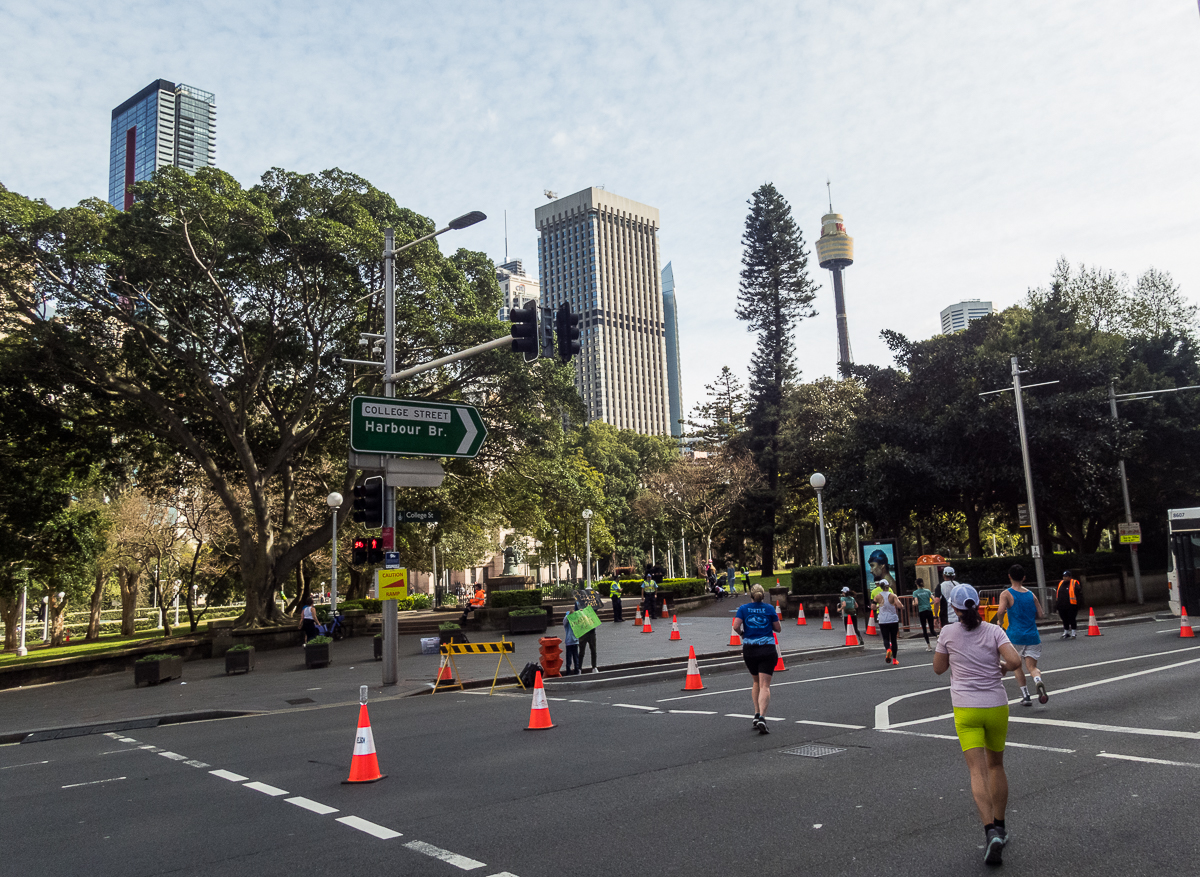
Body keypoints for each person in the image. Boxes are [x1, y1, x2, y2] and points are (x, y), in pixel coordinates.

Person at [933, 583, 1023, 865]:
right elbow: (1015, 660)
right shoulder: (994, 631)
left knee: (977, 770)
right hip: (996, 704)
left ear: (955, 608)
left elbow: (938, 668)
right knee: (996, 765)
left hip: (966, 708)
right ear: (979, 604)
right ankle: (1001, 825)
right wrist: (1004, 668)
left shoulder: (948, 633)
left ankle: (989, 832)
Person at [994, 564, 1048, 706]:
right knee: (1032, 667)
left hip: (1015, 635)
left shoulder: (1006, 594)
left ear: (1009, 576)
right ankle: (1037, 680)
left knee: (1017, 666)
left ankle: (1026, 695)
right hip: (1032, 636)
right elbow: (1041, 615)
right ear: (1024, 577)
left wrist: (1000, 623)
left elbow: (1000, 611)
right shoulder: (1031, 594)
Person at [733, 584, 782, 734]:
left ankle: (755, 713)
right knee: (765, 685)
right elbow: (778, 628)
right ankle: (762, 717)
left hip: (749, 649)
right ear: (763, 595)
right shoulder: (769, 609)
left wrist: (743, 633)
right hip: (767, 648)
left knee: (756, 682)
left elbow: (735, 626)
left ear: (751, 596)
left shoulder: (743, 609)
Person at [874, 576, 901, 665]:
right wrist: (901, 606)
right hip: (893, 619)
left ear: (880, 586)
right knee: (894, 639)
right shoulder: (893, 595)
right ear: (888, 586)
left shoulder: (877, 596)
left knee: (885, 638)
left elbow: (873, 607)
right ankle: (894, 659)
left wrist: (878, 606)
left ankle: (888, 649)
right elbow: (899, 605)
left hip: (882, 620)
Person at [1055, 570, 1082, 639]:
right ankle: (1066, 632)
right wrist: (1057, 604)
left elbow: (1079, 594)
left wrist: (1078, 604)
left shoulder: (1074, 583)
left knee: (1072, 618)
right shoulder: (1061, 583)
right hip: (1062, 605)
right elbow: (1058, 594)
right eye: (1064, 576)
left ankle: (1073, 632)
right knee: (1064, 619)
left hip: (1071, 605)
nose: (1064, 578)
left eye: (1066, 576)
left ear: (1070, 577)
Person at [913, 578, 936, 651]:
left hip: (922, 611)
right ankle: (938, 636)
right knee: (932, 629)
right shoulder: (928, 591)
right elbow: (934, 600)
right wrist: (930, 603)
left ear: (916, 584)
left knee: (924, 629)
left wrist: (913, 603)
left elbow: (916, 603)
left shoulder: (915, 592)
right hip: (929, 610)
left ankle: (929, 646)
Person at [562, 606, 581, 675]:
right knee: (569, 658)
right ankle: (569, 671)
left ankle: (576, 670)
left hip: (574, 642)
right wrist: (568, 615)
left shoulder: (575, 622)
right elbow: (564, 621)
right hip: (569, 642)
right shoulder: (567, 624)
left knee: (575, 658)